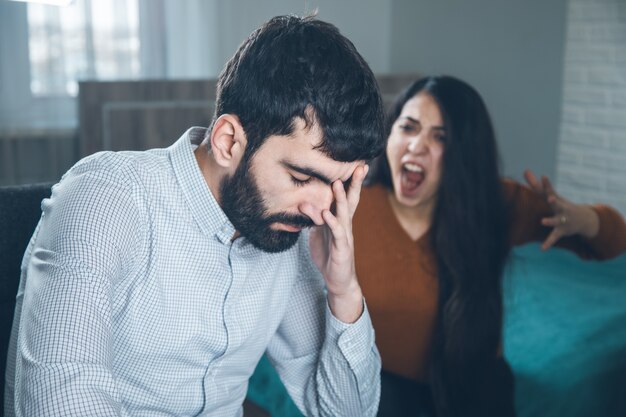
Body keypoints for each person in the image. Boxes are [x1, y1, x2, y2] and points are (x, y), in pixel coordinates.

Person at [5, 15, 387, 417]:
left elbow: (345, 411)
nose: (318, 209)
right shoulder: (107, 197)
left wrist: (342, 289)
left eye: (338, 186)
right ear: (227, 141)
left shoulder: (286, 230)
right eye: (300, 177)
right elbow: (60, 398)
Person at [354, 75, 626, 417]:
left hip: (472, 381)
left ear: (463, 152)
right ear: (389, 133)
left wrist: (585, 218)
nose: (417, 145)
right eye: (408, 127)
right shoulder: (352, 203)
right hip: (378, 386)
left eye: (441, 137)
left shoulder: (495, 202)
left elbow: (614, 243)